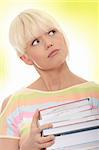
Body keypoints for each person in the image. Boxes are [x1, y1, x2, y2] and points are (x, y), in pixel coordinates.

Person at [0, 9, 99, 150]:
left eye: (52, 32)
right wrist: (28, 147)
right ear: (26, 58)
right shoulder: (15, 104)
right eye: (35, 42)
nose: (48, 43)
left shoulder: (96, 94)